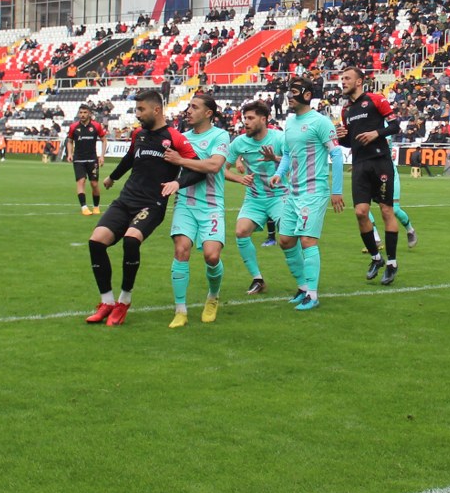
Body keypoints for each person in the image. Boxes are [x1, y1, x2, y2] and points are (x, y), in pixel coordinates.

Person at [83, 89, 204, 327]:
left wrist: (177, 183)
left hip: (152, 204)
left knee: (131, 240)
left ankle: (124, 301)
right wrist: (113, 177)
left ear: (156, 110)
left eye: (141, 109)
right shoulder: (139, 134)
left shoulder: (175, 137)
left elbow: (198, 169)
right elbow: (130, 158)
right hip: (126, 200)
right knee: (96, 242)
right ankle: (106, 302)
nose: (137, 114)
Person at [266, 74, 346, 310]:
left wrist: (337, 191)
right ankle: (302, 288)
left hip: (314, 191)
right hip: (293, 191)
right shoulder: (290, 122)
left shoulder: (320, 122)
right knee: (285, 240)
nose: (290, 96)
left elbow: (336, 155)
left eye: (295, 92)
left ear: (308, 95)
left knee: (307, 240)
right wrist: (279, 173)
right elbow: (288, 153)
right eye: (289, 91)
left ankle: (312, 294)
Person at [163, 95, 231, 327]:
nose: (188, 111)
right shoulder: (182, 138)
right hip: (185, 203)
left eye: (194, 107)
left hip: (211, 204)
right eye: (188, 106)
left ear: (208, 113)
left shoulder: (220, 136)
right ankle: (180, 310)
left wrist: (180, 160)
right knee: (181, 250)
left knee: (212, 256)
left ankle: (213, 297)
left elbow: (214, 165)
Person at [336, 66, 402, 285]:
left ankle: (392, 263)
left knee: (386, 210)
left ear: (359, 81)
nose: (343, 81)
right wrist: (342, 137)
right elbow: (349, 142)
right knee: (360, 212)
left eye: (347, 78)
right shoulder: (346, 110)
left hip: (380, 162)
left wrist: (376, 133)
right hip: (359, 164)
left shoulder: (376, 99)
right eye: (342, 78)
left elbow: (395, 126)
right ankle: (376, 258)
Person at [223, 100, 295, 294]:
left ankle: (305, 283)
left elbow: (295, 162)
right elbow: (223, 168)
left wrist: (275, 159)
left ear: (264, 119)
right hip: (254, 198)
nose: (245, 122)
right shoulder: (239, 142)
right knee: (241, 232)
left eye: (250, 118)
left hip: (279, 196)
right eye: (244, 118)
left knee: (287, 238)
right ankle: (257, 279)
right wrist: (239, 179)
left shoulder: (279, 138)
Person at [66, 105, 107, 215]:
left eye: (85, 112)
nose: (82, 115)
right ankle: (84, 207)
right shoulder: (73, 127)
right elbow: (69, 141)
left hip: (92, 159)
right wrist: (70, 153)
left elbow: (104, 140)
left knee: (94, 184)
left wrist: (102, 156)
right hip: (78, 159)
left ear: (89, 113)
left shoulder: (96, 126)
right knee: (81, 181)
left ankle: (96, 207)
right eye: (81, 112)